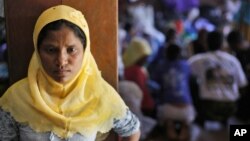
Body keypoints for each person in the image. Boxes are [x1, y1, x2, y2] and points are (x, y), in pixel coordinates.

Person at [0, 5, 140, 141]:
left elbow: (133, 132)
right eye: (51, 50)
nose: (61, 61)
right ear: (38, 52)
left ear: (85, 52)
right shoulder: (16, 98)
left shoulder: (101, 96)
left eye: (71, 50)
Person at [188, 30, 248, 127]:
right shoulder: (233, 61)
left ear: (206, 43)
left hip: (207, 107)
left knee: (190, 81)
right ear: (222, 44)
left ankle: (199, 119)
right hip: (230, 107)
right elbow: (243, 84)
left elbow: (182, 74)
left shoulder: (197, 60)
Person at [151, 43, 196, 141]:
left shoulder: (161, 66)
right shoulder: (186, 66)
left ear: (166, 54)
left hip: (167, 109)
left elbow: (154, 83)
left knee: (162, 107)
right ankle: (185, 125)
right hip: (187, 109)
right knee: (186, 117)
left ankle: (169, 124)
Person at [122, 37, 156, 117]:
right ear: (137, 56)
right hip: (143, 106)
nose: (146, 60)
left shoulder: (127, 69)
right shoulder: (136, 71)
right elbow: (142, 90)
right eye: (144, 58)